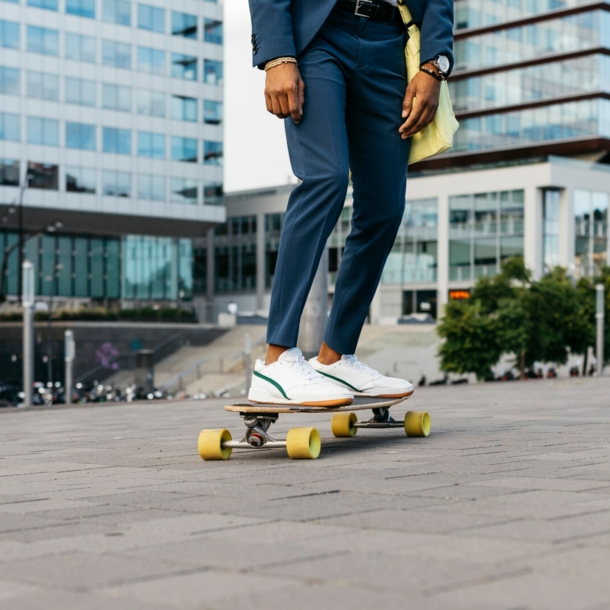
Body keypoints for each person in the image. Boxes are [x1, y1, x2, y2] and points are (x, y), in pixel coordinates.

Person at [246, 0, 454, 407]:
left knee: (384, 207)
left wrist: (435, 64)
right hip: (321, 34)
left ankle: (335, 356)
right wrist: (276, 55)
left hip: (389, 40)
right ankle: (276, 359)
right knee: (326, 177)